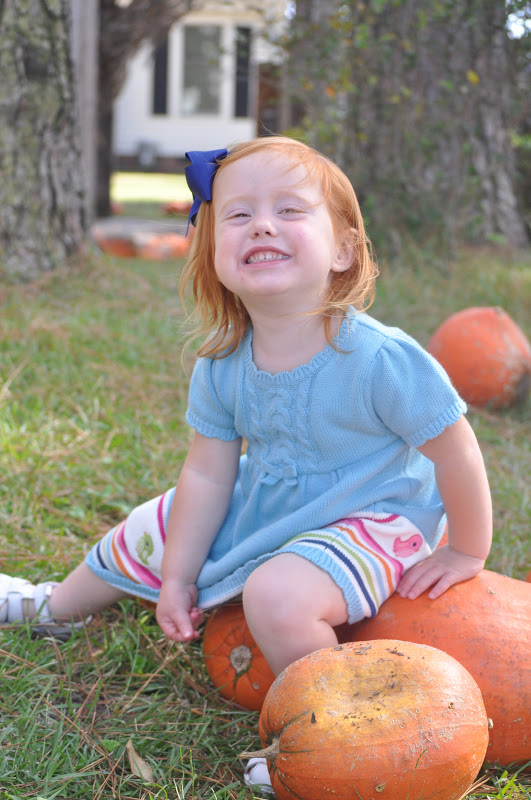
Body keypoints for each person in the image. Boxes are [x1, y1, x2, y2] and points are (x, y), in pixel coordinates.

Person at [0, 137, 492, 796]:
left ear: (343, 249)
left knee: (276, 596)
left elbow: (455, 448)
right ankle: (57, 606)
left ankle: (332, 728)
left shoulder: (379, 359)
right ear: (212, 252)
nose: (261, 224)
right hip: (269, 506)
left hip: (373, 517)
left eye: (289, 210)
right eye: (238, 214)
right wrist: (177, 576)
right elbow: (207, 475)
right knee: (149, 524)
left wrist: (465, 548)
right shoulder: (223, 362)